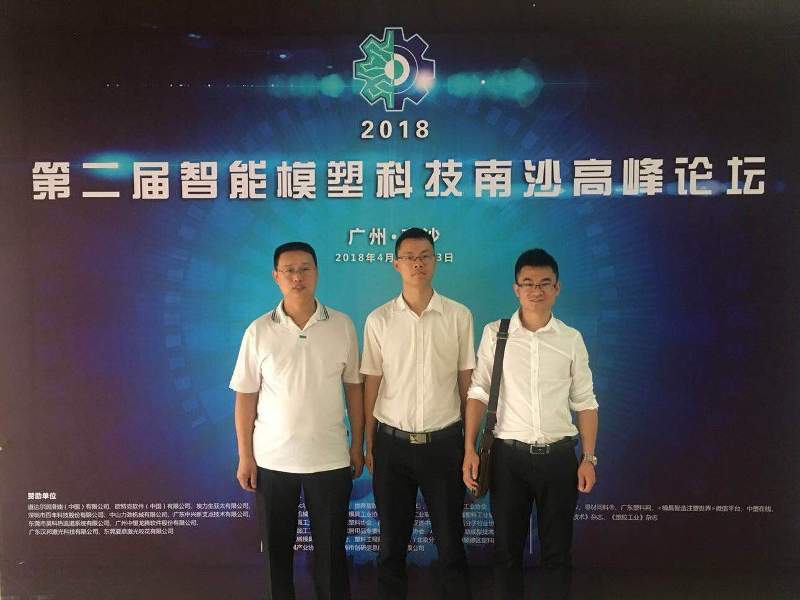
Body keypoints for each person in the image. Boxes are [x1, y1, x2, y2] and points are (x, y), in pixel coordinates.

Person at [462, 248, 599, 600]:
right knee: (507, 553)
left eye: (544, 283)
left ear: (557, 288)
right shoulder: (496, 334)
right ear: (516, 289)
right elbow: (478, 391)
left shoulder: (571, 339)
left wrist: (588, 458)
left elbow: (585, 402)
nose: (536, 290)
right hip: (509, 459)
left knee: (557, 554)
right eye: (528, 283)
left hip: (559, 459)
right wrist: (469, 449)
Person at [230, 241, 364, 600]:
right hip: (272, 461)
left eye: (305, 269)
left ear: (317, 273)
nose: (297, 277)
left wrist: (357, 445)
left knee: (332, 556)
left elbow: (354, 389)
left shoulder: (342, 326)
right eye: (289, 270)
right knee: (276, 556)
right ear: (276, 277)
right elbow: (245, 397)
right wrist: (245, 456)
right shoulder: (258, 331)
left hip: (330, 458)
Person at [361, 227, 475, 599]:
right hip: (391, 445)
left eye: (425, 256)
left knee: (451, 541)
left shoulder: (458, 316)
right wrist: (369, 441)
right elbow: (372, 383)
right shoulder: (378, 320)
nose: (417, 263)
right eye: (409, 257)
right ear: (396, 264)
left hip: (444, 444)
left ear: (436, 261)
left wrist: (469, 444)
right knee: (391, 544)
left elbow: (467, 382)